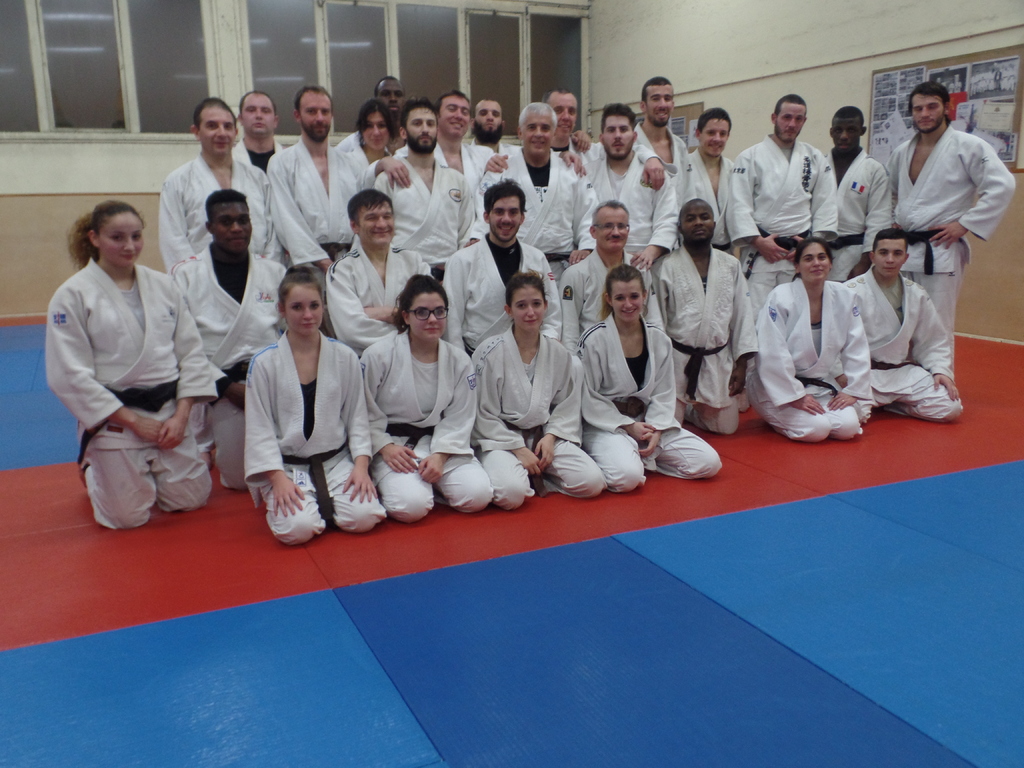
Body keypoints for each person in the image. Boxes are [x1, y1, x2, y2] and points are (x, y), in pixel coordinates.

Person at [46, 201, 216, 529]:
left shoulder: (164, 285)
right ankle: (93, 468)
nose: (129, 246)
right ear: (94, 238)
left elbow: (192, 353)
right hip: (116, 419)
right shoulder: (72, 296)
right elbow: (68, 373)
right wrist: (135, 422)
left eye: (136, 236)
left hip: (169, 414)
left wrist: (182, 417)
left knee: (190, 499)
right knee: (126, 518)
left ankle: (144, 468)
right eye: (117, 237)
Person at [244, 266, 386, 545]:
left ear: (324, 306)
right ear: (281, 309)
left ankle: (323, 501)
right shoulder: (264, 363)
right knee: (297, 530)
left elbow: (357, 417)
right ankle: (302, 504)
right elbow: (259, 428)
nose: (307, 315)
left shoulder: (344, 356)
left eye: (314, 305)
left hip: (336, 461)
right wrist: (277, 479)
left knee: (365, 517)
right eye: (297, 307)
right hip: (288, 466)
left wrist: (360, 466)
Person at [170, 189, 286, 490]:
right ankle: (206, 440)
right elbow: (179, 345)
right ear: (209, 227)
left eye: (243, 220)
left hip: (271, 381)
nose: (237, 228)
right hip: (218, 387)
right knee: (240, 480)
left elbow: (292, 332)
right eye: (226, 221)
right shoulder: (186, 275)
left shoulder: (273, 272)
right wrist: (224, 387)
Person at [887, 81, 1015, 350]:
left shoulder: (969, 146)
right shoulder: (902, 151)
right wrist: (893, 221)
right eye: (918, 108)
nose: (925, 114)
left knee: (936, 326)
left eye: (931, 106)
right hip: (905, 249)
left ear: (947, 108)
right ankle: (906, 374)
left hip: (940, 248)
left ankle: (938, 377)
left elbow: (1002, 185)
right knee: (900, 322)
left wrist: (965, 223)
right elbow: (891, 193)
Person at [579, 264, 722, 491]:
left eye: (634, 296)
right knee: (627, 478)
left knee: (708, 462)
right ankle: (624, 457)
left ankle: (637, 456)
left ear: (645, 296)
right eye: (620, 298)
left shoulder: (658, 338)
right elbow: (588, 397)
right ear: (608, 299)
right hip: (607, 424)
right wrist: (628, 426)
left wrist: (657, 428)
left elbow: (664, 392)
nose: (628, 304)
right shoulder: (593, 340)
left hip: (648, 420)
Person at [362, 275, 493, 521]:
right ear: (406, 316)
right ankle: (413, 485)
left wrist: (441, 456)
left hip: (439, 442)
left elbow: (461, 415)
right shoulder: (377, 356)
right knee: (412, 507)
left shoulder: (459, 360)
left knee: (477, 495)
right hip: (395, 445)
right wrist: (384, 447)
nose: (432, 319)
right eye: (422, 312)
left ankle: (431, 482)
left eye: (439, 311)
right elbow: (362, 411)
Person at [472, 271, 606, 509]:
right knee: (512, 494)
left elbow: (566, 405)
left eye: (536, 304)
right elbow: (482, 414)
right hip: (501, 440)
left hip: (542, 437)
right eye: (521, 305)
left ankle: (538, 472)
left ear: (546, 306)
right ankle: (514, 472)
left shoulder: (558, 352)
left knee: (592, 482)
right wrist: (518, 448)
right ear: (508, 310)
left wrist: (551, 437)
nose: (530, 312)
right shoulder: (488, 352)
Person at [747, 238, 871, 442]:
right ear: (797, 266)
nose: (816, 263)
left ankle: (803, 414)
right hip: (777, 387)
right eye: (808, 259)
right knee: (817, 430)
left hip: (819, 384)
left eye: (822, 257)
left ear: (830, 263)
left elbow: (857, 345)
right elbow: (772, 351)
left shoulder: (844, 296)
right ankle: (774, 415)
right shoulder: (781, 297)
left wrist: (854, 389)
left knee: (848, 427)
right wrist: (794, 396)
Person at [728, 94, 838, 313]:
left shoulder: (814, 157)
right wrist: (758, 241)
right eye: (786, 117)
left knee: (798, 315)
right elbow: (738, 204)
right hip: (761, 252)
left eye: (798, 119)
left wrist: (809, 245)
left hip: (799, 255)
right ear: (774, 118)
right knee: (757, 316)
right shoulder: (749, 157)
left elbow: (826, 204)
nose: (792, 124)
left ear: (804, 121)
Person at [656, 200, 757, 435]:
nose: (698, 222)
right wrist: (658, 370)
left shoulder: (730, 265)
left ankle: (693, 412)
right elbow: (656, 321)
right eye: (690, 218)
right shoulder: (666, 266)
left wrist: (741, 363)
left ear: (714, 223)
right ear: (680, 227)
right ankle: (683, 409)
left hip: (716, 359)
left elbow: (742, 315)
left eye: (704, 217)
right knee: (669, 428)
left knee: (726, 428)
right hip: (677, 362)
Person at [844, 229, 961, 422]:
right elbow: (833, 340)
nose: (890, 259)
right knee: (851, 417)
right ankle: (887, 401)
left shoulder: (916, 293)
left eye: (897, 253)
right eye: (883, 253)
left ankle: (895, 403)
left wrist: (940, 370)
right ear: (872, 256)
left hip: (901, 373)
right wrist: (841, 375)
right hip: (863, 374)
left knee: (950, 407)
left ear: (906, 258)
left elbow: (932, 339)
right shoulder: (849, 292)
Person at [474, 102, 598, 279]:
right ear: (520, 132)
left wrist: (586, 247)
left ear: (554, 133)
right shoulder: (501, 169)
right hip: (512, 265)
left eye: (545, 128)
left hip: (562, 268)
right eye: (532, 127)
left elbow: (588, 213)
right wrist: (477, 239)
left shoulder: (572, 170)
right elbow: (483, 214)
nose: (538, 133)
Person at [160, 97, 280, 270]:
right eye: (212, 126)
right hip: (201, 277)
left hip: (257, 275)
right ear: (196, 132)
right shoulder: (177, 181)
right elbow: (173, 241)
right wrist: (194, 278)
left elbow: (273, 236)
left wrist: (268, 271)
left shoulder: (258, 178)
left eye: (227, 126)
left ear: (236, 132)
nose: (222, 133)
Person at [444, 180, 560, 354]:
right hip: (475, 357)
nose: (506, 219)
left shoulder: (537, 258)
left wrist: (545, 351)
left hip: (530, 355)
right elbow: (452, 321)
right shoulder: (461, 261)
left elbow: (552, 316)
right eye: (499, 212)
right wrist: (460, 362)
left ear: (522, 218)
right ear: (486, 216)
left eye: (513, 212)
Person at [372, 98, 475, 278]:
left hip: (449, 273)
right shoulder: (387, 179)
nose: (425, 129)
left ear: (437, 130)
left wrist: (456, 270)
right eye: (417, 123)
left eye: (430, 124)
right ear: (403, 132)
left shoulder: (457, 180)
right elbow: (379, 230)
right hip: (403, 273)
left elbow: (466, 231)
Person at [326, 189, 430, 355]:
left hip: (413, 358)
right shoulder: (341, 270)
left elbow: (429, 314)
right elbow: (351, 330)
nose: (381, 224)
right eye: (371, 218)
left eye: (387, 217)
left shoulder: (414, 262)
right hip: (362, 360)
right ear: (354, 226)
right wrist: (406, 323)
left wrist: (386, 314)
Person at [268, 85, 360, 271]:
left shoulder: (351, 164)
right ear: (297, 115)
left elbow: (362, 216)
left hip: (349, 264)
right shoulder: (281, 163)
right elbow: (286, 219)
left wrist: (353, 260)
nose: (319, 118)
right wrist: (322, 262)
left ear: (332, 115)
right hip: (306, 267)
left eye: (325, 112)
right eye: (311, 111)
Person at [582, 103, 678, 270]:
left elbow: (667, 218)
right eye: (611, 130)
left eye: (623, 129)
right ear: (602, 138)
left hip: (645, 260)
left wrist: (652, 251)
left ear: (634, 137)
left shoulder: (655, 172)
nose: (617, 136)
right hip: (600, 259)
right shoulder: (588, 173)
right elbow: (581, 219)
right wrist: (586, 248)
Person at [559, 201, 663, 352]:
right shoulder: (575, 274)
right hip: (592, 356)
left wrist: (658, 353)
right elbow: (569, 331)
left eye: (621, 226)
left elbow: (653, 319)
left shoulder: (639, 269)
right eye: (608, 226)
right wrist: (573, 363)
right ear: (593, 231)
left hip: (635, 353)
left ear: (628, 230)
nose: (616, 232)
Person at [824, 106, 890, 281]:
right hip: (820, 252)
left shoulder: (874, 170)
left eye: (851, 130)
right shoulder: (819, 166)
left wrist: (865, 261)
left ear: (862, 131)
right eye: (838, 130)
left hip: (855, 253)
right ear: (831, 132)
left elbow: (879, 219)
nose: (844, 136)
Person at [681, 108, 734, 251]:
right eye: (711, 133)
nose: (717, 139)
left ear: (728, 136)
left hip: (726, 251)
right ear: (698, 133)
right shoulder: (683, 167)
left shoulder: (732, 169)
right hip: (690, 250)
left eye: (722, 134)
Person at [635, 76, 689, 202]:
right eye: (656, 98)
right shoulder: (630, 145)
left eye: (667, 99)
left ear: (673, 105)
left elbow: (688, 192)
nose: (663, 104)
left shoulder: (680, 146)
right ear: (643, 106)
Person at [336, 76, 406, 155]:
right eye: (386, 94)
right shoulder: (353, 143)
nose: (393, 98)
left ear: (404, 101)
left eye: (398, 94)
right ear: (376, 100)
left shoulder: (413, 139)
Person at [333, 98, 396, 175]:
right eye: (369, 126)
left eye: (381, 125)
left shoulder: (396, 164)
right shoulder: (346, 164)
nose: (376, 132)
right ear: (361, 130)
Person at [233, 91, 282, 173]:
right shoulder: (229, 160)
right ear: (240, 119)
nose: (259, 115)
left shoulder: (292, 161)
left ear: (275, 121)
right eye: (251, 110)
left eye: (265, 111)